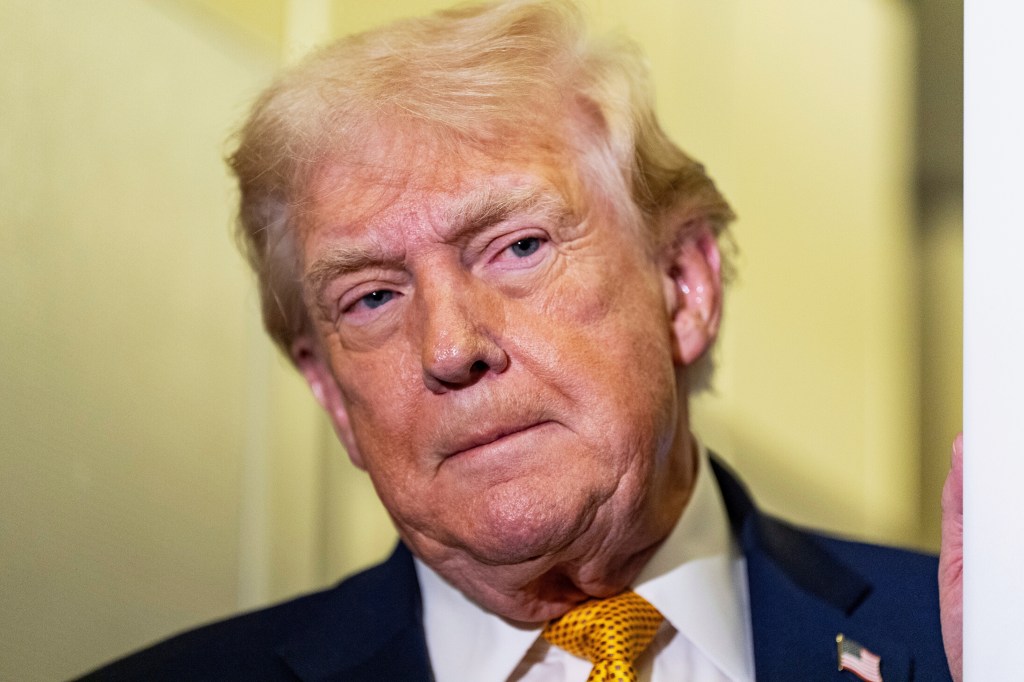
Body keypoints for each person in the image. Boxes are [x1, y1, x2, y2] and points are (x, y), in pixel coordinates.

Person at [77, 1, 961, 680]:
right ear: (330, 393)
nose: (451, 346)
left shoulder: (974, 643)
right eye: (374, 296)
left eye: (518, 247)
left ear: (684, 287)